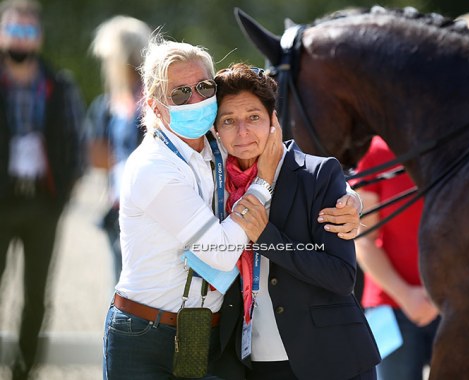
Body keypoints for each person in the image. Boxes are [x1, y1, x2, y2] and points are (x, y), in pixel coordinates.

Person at [103, 35, 362, 380]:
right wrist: (264, 181)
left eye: (204, 86)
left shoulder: (216, 146)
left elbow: (273, 148)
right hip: (146, 332)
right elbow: (220, 252)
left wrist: (348, 195)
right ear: (154, 106)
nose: (195, 99)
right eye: (180, 93)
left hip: (204, 331)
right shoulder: (154, 167)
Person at [211, 63, 380, 380]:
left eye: (254, 117)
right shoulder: (212, 185)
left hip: (333, 359)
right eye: (229, 121)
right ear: (216, 129)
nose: (243, 131)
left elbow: (342, 276)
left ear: (273, 120)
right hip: (256, 362)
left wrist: (266, 238)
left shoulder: (318, 175)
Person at [0, 0, 85, 379]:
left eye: (27, 31)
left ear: (38, 37)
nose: (20, 38)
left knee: (36, 296)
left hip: (43, 203)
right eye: (13, 30)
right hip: (1, 201)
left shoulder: (57, 84)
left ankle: (25, 369)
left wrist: (64, 194)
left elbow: (75, 141)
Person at [352, 136, 440, 380]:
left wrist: (442, 295)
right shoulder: (377, 151)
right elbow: (363, 236)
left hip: (455, 303)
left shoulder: (463, 145)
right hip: (391, 307)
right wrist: (406, 295)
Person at [85, 15, 151, 282]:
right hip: (117, 207)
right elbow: (97, 158)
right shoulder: (106, 106)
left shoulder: (154, 104)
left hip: (149, 210)